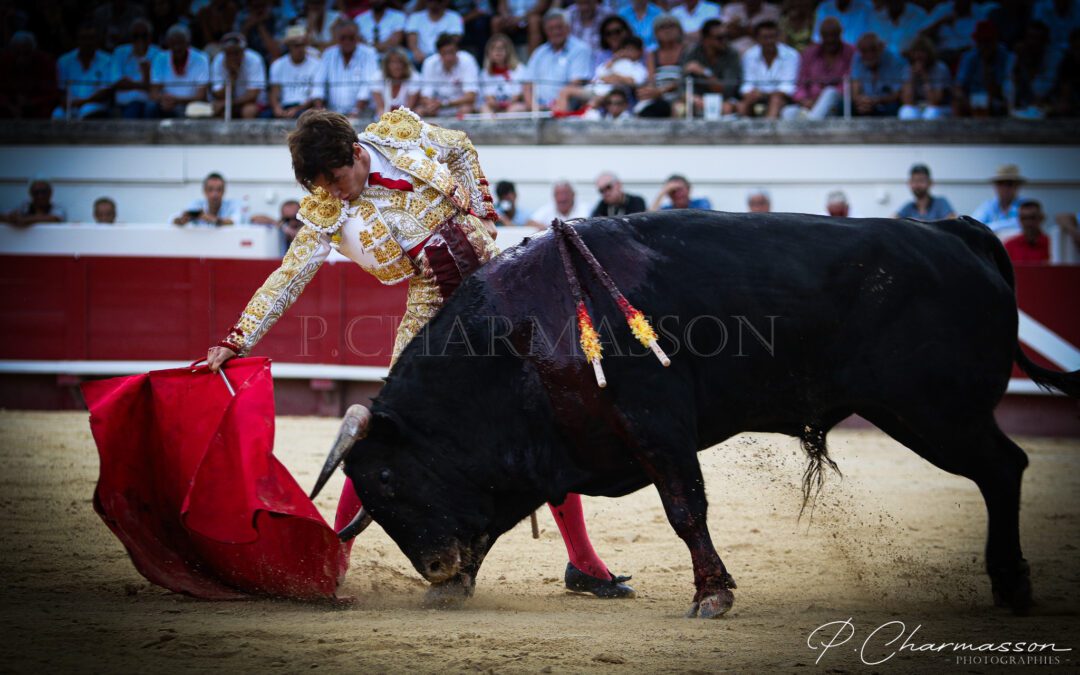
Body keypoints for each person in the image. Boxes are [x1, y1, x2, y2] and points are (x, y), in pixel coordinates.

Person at [206, 109, 634, 599]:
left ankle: (583, 562)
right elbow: (288, 277)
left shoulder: (396, 134)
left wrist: (482, 210)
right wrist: (236, 338)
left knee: (545, 417)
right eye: (320, 186)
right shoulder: (327, 209)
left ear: (356, 154)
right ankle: (334, 559)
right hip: (434, 305)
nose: (333, 193)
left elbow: (461, 147)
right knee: (390, 429)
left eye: (337, 179)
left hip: (497, 285)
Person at [781, 16, 852, 120]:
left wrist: (819, 100)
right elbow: (800, 84)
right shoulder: (809, 53)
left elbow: (848, 84)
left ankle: (811, 125)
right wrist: (804, 100)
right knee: (787, 112)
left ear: (840, 34)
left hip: (837, 105)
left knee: (830, 92)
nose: (830, 40)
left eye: (833, 35)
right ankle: (810, 122)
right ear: (821, 35)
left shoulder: (850, 53)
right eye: (827, 36)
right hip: (810, 104)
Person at [312, 20, 378, 118]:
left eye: (351, 38)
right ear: (337, 38)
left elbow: (367, 84)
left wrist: (356, 111)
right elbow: (318, 83)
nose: (347, 41)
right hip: (333, 112)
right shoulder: (328, 54)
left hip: (363, 112)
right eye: (343, 38)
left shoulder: (369, 53)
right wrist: (320, 110)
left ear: (357, 38)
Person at [738, 20, 799, 119]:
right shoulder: (749, 55)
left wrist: (764, 93)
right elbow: (747, 84)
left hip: (783, 98)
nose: (770, 41)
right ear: (757, 39)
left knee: (776, 99)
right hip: (756, 96)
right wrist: (751, 93)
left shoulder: (791, 55)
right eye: (765, 38)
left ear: (778, 37)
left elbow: (788, 86)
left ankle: (767, 133)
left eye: (773, 37)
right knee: (744, 103)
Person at [682, 18, 743, 117]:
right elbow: (682, 85)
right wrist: (692, 97)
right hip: (698, 99)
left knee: (727, 108)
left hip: (724, 99)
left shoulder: (732, 54)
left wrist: (705, 72)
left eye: (726, 37)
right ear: (706, 40)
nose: (724, 41)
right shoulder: (692, 53)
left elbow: (728, 90)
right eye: (719, 38)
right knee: (679, 107)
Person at [149, 23, 210, 119]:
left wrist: (177, 100)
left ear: (188, 43)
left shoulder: (201, 58)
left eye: (180, 43)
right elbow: (153, 94)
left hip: (191, 105)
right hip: (167, 105)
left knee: (196, 109)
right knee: (151, 107)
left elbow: (201, 96)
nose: (177, 47)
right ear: (168, 43)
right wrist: (165, 99)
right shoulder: (160, 58)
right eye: (173, 43)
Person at [53, 23, 112, 120]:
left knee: (86, 112)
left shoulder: (107, 60)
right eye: (84, 38)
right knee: (57, 115)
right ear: (77, 40)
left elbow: (106, 91)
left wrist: (82, 102)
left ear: (97, 40)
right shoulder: (64, 61)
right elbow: (61, 90)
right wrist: (67, 103)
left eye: (91, 38)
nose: (87, 42)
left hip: (95, 105)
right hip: (70, 105)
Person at [954, 21, 1011, 117]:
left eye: (988, 41)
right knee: (958, 103)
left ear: (995, 40)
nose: (985, 45)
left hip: (995, 99)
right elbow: (958, 86)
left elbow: (1001, 88)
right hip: (971, 98)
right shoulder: (970, 57)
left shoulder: (1003, 55)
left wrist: (987, 66)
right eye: (982, 41)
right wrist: (964, 100)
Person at [416, 33, 479, 117]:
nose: (449, 57)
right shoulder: (429, 63)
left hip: (459, 106)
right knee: (419, 111)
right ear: (439, 53)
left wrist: (444, 104)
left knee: (466, 109)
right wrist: (431, 104)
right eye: (445, 53)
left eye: (451, 52)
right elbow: (425, 95)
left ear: (457, 50)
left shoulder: (468, 60)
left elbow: (471, 96)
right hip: (437, 107)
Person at [0, 31, 59, 119]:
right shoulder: (4, 61)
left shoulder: (45, 62)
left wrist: (30, 102)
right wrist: (10, 105)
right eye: (17, 53)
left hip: (37, 106)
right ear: (11, 51)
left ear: (33, 50)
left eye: (26, 53)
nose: (21, 58)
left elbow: (51, 93)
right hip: (9, 106)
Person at [111, 18, 161, 119]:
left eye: (144, 36)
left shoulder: (158, 54)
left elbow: (156, 86)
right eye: (136, 36)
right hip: (125, 103)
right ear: (130, 37)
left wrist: (144, 76)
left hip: (150, 103)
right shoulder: (119, 52)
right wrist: (143, 84)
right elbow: (116, 82)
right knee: (134, 108)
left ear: (150, 37)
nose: (140, 40)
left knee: (150, 109)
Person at [210, 32, 267, 119]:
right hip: (228, 102)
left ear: (243, 51)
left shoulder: (254, 59)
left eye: (236, 53)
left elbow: (252, 95)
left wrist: (227, 103)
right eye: (229, 53)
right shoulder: (218, 60)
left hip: (253, 102)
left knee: (248, 111)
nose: (233, 57)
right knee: (217, 109)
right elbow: (218, 94)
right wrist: (232, 77)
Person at [268, 26, 321, 119]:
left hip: (306, 108)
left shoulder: (316, 64)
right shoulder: (278, 65)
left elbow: (316, 95)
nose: (300, 48)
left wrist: (297, 109)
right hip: (284, 106)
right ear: (289, 46)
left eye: (303, 44)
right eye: (296, 45)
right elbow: (274, 92)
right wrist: (277, 108)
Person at [850, 32, 903, 117]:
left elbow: (897, 94)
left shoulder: (892, 60)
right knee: (847, 106)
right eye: (864, 51)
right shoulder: (857, 59)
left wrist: (877, 101)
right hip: (864, 104)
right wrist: (861, 101)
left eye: (873, 49)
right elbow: (855, 91)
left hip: (885, 104)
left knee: (893, 107)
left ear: (880, 48)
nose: (869, 54)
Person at [898, 36, 951, 120]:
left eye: (922, 52)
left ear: (929, 53)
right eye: (915, 52)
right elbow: (907, 101)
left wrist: (925, 77)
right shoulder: (908, 69)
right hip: (918, 106)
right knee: (905, 111)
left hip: (940, 108)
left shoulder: (940, 68)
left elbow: (935, 101)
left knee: (931, 113)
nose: (918, 55)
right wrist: (912, 77)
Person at [478, 33, 527, 115]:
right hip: (494, 107)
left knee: (515, 109)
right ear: (488, 52)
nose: (498, 51)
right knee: (484, 108)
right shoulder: (484, 73)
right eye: (494, 48)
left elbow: (519, 94)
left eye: (502, 48)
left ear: (508, 51)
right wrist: (496, 105)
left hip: (514, 105)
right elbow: (488, 97)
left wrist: (508, 104)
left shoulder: (519, 69)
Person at [172, 172, 244, 227]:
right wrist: (181, 220)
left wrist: (214, 220)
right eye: (210, 189)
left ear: (224, 191)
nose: (214, 194)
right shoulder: (196, 205)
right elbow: (172, 219)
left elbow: (235, 220)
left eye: (219, 190)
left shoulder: (232, 205)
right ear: (204, 191)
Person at [406, 0, 464, 64]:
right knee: (407, 56)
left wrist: (441, 55)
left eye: (437, 1)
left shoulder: (454, 16)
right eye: (430, 1)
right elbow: (412, 40)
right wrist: (416, 52)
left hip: (443, 55)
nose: (433, 3)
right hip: (420, 56)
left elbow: (454, 40)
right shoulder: (415, 17)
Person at [972, 164, 1026, 233]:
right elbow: (974, 223)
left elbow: (1022, 224)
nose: (1005, 188)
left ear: (1017, 186)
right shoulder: (989, 205)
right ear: (995, 186)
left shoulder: (1026, 205)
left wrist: (989, 227)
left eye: (1009, 184)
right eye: (1000, 183)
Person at [371, 47, 420, 117]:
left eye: (400, 62)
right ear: (387, 64)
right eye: (393, 62)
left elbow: (409, 109)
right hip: (382, 119)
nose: (396, 66)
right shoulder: (377, 77)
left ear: (405, 64)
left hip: (406, 120)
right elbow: (380, 108)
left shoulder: (414, 77)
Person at [527, 180, 591, 228]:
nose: (562, 198)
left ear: (573, 195)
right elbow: (530, 222)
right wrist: (547, 230)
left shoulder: (585, 208)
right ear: (553, 196)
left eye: (565, 193)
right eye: (558, 194)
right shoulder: (548, 208)